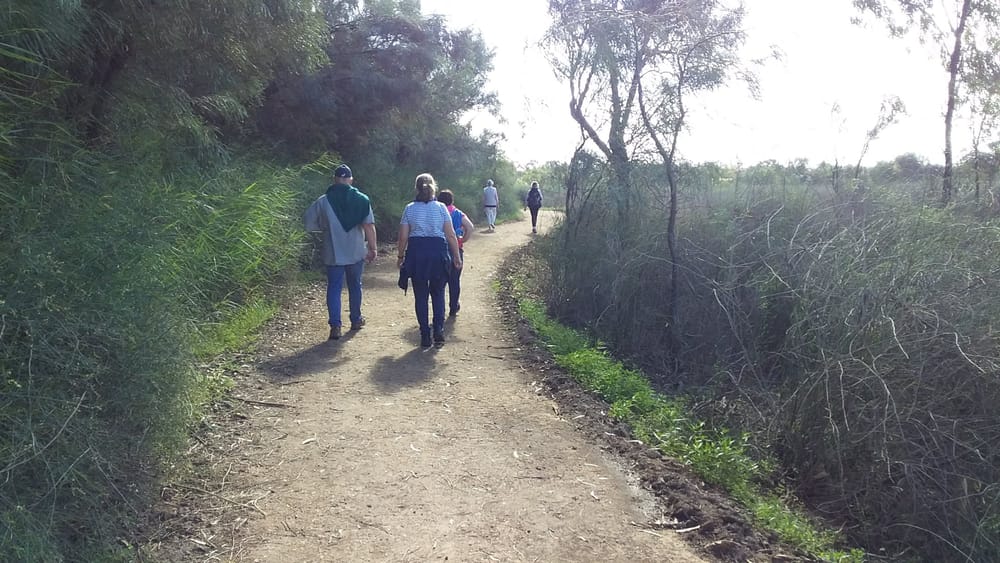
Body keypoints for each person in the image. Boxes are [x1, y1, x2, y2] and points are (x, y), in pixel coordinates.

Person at [304, 164, 377, 341]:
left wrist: (324, 227)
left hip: (333, 251)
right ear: (350, 180)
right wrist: (373, 248)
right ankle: (356, 319)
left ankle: (335, 326)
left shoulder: (323, 200)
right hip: (356, 251)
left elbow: (309, 223)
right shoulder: (362, 199)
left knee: (334, 287)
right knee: (354, 285)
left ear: (335, 179)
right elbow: (368, 226)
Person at [397, 173, 462, 348]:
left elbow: (403, 237)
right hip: (438, 253)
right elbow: (450, 234)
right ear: (434, 187)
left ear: (416, 188)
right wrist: (456, 256)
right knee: (438, 293)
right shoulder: (441, 208)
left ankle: (425, 334)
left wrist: (400, 256)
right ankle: (439, 330)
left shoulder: (409, 208)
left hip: (417, 254)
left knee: (421, 295)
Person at [437, 189, 474, 317]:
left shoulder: (437, 212)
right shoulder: (458, 213)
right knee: (454, 280)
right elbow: (470, 227)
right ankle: (453, 306)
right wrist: (463, 240)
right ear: (452, 200)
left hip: (439, 250)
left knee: (440, 283)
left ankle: (439, 311)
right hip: (456, 249)